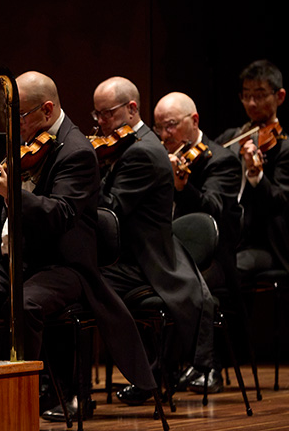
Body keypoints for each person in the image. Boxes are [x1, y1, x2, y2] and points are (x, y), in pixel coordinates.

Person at [0, 71, 155, 420]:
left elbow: (60, 215)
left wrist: (10, 191)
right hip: (17, 263)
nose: (11, 123)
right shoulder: (27, 141)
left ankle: (23, 396)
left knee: (24, 304)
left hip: (64, 267)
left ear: (46, 110)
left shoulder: (77, 152)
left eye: (17, 115)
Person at [92, 76, 214, 405]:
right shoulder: (134, 144)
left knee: (78, 283)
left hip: (144, 263)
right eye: (97, 115)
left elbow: (112, 213)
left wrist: (89, 173)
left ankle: (127, 377)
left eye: (108, 115)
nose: (101, 124)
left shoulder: (141, 151)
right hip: (135, 255)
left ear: (132, 109)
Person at [215, 61, 289, 348]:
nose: (251, 102)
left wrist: (257, 173)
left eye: (259, 94)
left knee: (224, 273)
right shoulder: (230, 139)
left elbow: (278, 204)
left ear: (279, 96)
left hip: (261, 245)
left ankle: (215, 361)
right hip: (228, 237)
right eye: (246, 94)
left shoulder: (287, 150)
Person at [153, 91, 243, 393]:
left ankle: (201, 366)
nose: (165, 135)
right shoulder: (158, 157)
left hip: (213, 260)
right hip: (169, 253)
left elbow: (212, 213)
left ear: (194, 121)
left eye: (172, 126)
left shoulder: (222, 160)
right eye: (159, 128)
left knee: (179, 283)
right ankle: (152, 373)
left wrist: (183, 185)